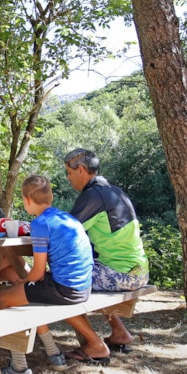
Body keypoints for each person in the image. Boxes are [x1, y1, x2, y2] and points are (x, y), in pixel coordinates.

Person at [0, 174, 95, 374]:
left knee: (6, 298)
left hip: (65, 289)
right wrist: (26, 284)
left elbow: (38, 272)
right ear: (50, 197)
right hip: (83, 287)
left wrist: (22, 283)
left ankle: (18, 368)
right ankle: (54, 354)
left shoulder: (40, 224)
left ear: (27, 200)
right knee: (27, 296)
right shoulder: (68, 218)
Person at [63, 148, 150, 361]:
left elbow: (64, 231)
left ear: (81, 170)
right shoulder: (115, 191)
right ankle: (119, 333)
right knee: (90, 270)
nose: (68, 179)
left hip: (122, 274)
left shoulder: (92, 196)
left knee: (62, 282)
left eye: (69, 173)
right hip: (139, 271)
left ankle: (94, 345)